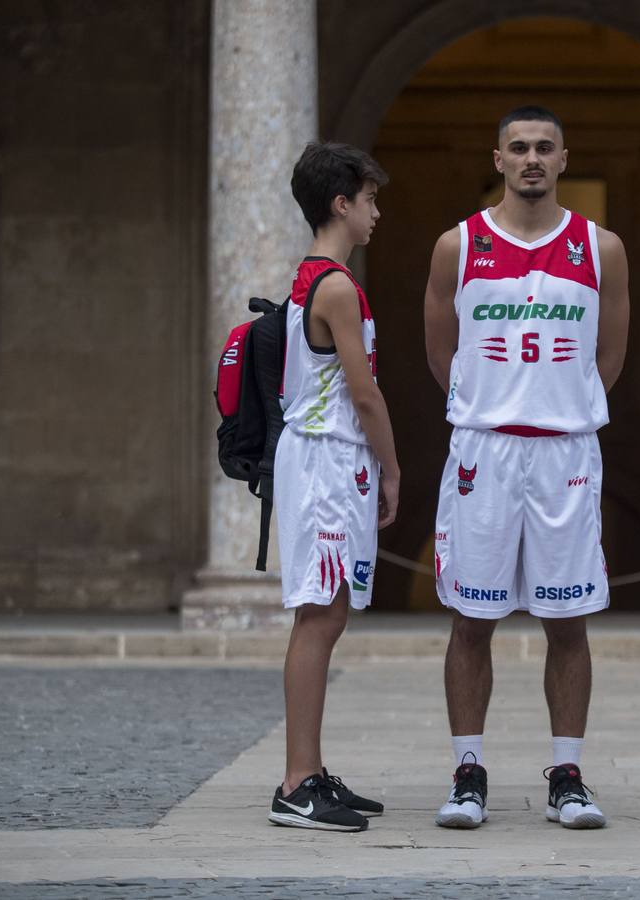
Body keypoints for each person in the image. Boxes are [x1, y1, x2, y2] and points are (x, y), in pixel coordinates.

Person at [423, 106, 629, 830]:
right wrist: (490, 399)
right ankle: (468, 771)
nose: (532, 158)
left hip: (565, 448)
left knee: (567, 619)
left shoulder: (601, 247)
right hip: (485, 445)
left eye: (545, 147)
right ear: (499, 158)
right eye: (519, 148)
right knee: (470, 617)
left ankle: (567, 774)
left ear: (565, 158)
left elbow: (611, 354)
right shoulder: (459, 244)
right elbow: (439, 348)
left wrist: (561, 401)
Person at [267, 142, 400, 833]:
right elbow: (364, 392)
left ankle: (311, 769)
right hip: (325, 460)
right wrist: (394, 467)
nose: (377, 212)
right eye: (370, 199)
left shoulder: (318, 277)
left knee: (330, 612)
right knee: (318, 615)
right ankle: (296, 782)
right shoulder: (337, 286)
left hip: (327, 458)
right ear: (341, 204)